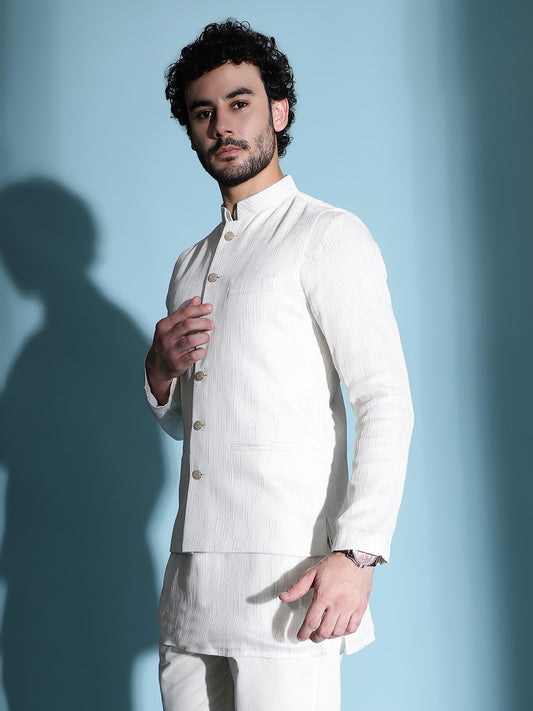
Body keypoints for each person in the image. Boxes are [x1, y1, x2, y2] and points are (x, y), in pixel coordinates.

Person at [144, 19, 414, 711]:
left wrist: (356, 555)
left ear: (279, 111)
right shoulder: (189, 265)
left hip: (290, 587)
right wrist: (160, 374)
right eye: (203, 112)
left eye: (240, 103)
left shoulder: (327, 234)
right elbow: (195, 425)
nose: (222, 125)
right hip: (188, 597)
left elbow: (385, 400)